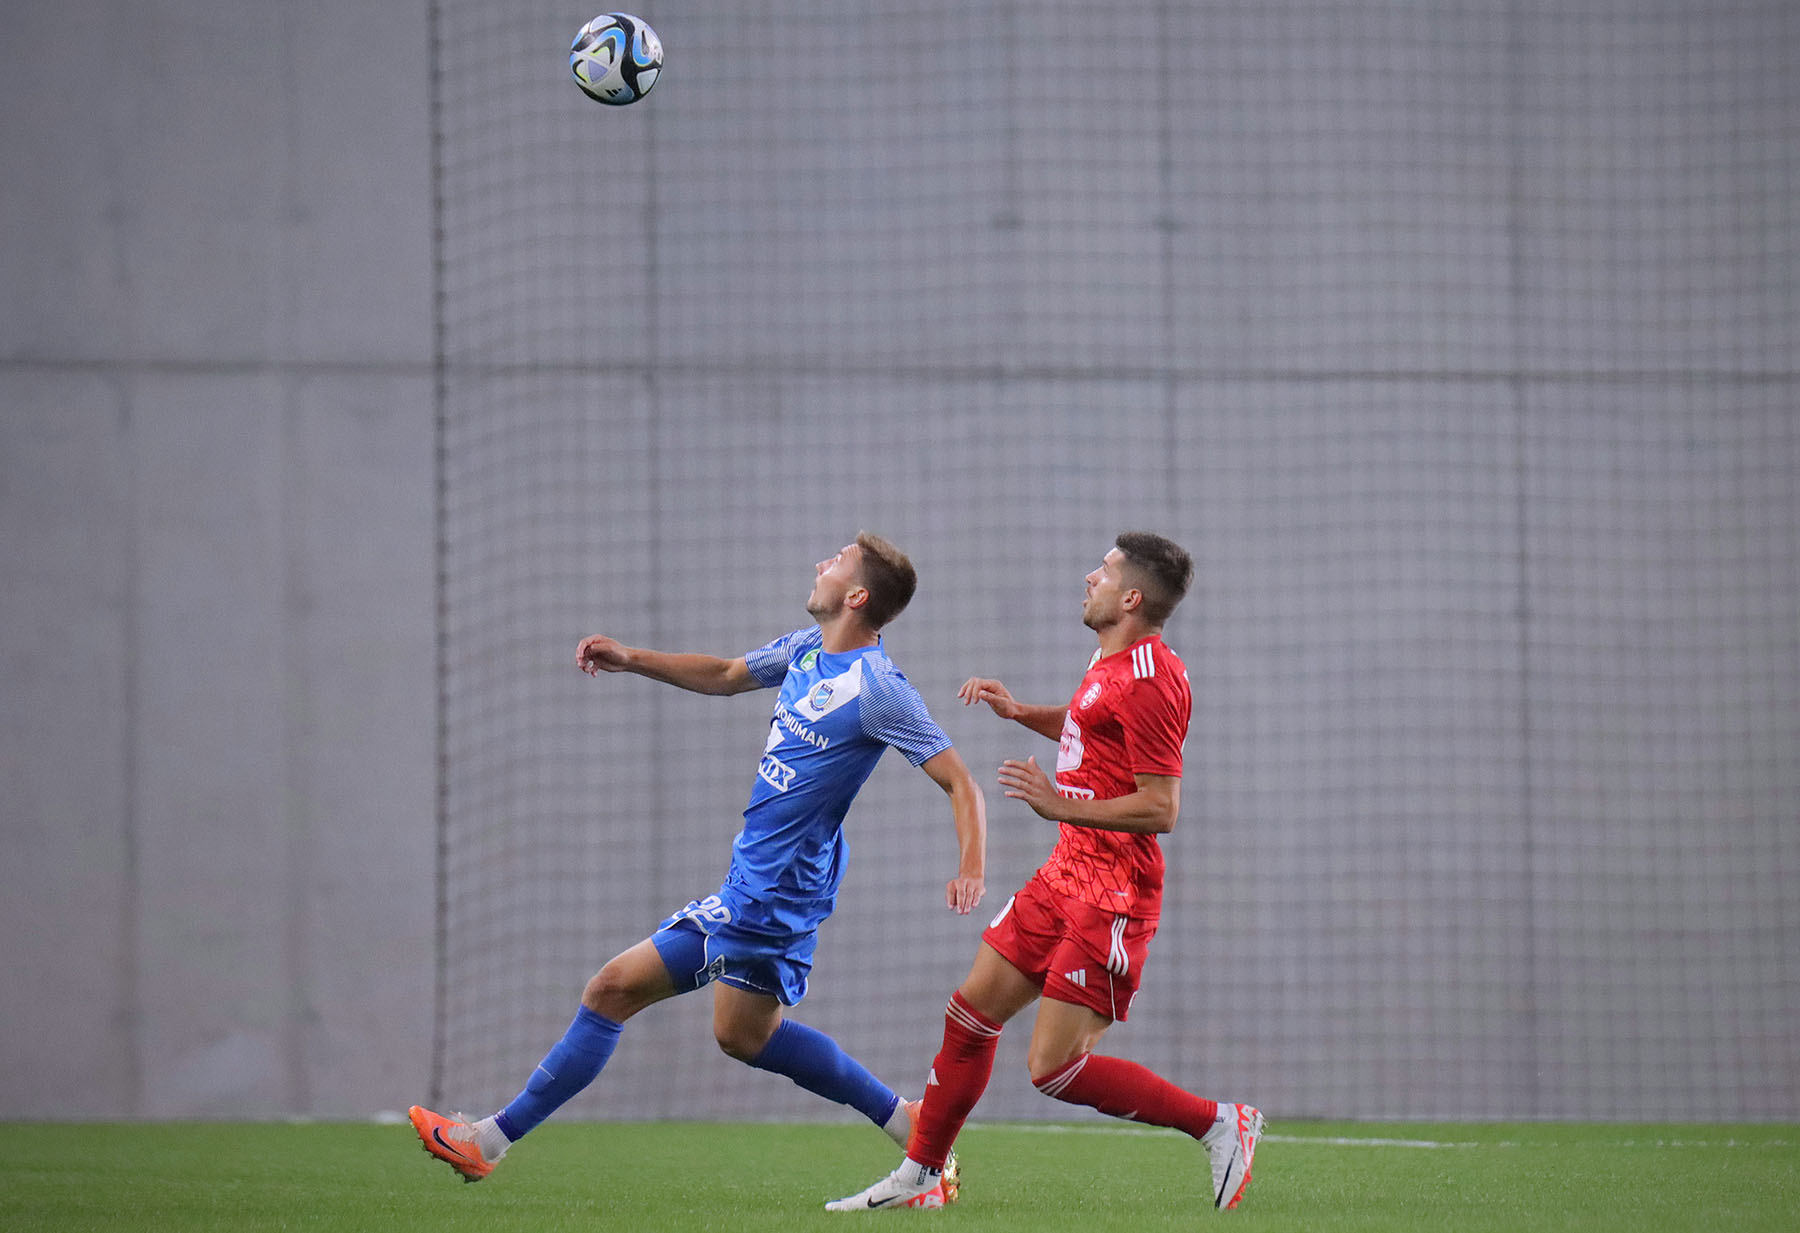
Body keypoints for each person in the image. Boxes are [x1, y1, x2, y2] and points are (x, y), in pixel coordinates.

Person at [411, 534, 986, 1201]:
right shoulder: (806, 649)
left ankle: (486, 1141)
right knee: (743, 1034)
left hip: (766, 897)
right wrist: (631, 658)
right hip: (776, 885)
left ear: (856, 596)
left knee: (610, 990)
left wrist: (971, 866)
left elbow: (960, 781)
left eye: (835, 563)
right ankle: (908, 1123)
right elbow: (724, 673)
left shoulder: (879, 688)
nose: (819, 564)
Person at [826, 532, 1263, 1214]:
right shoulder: (1111, 659)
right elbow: (1092, 726)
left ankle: (1218, 1123)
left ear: (1132, 597)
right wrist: (1019, 711)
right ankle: (923, 1174)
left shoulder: (1154, 677)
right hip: (1064, 874)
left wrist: (1057, 804)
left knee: (1053, 1069)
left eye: (1106, 570)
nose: (1090, 576)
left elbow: (1162, 807)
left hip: (1113, 894)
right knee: (969, 1013)